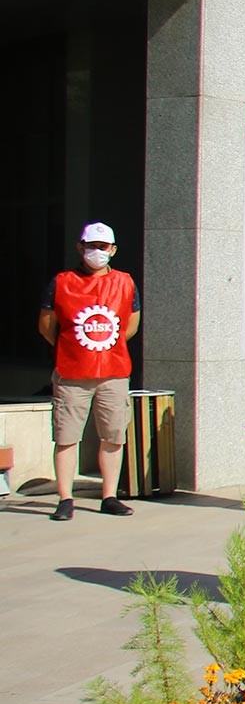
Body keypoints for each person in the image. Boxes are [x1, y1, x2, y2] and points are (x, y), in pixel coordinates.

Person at [38, 221, 140, 521]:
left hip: (113, 371)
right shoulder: (61, 282)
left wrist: (106, 346)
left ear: (113, 250)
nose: (97, 251)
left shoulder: (125, 282)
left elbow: (130, 324)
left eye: (103, 246)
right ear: (80, 247)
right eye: (92, 245)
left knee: (113, 436)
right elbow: (47, 324)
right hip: (72, 373)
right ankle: (65, 498)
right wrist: (70, 347)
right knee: (67, 436)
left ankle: (109, 496)